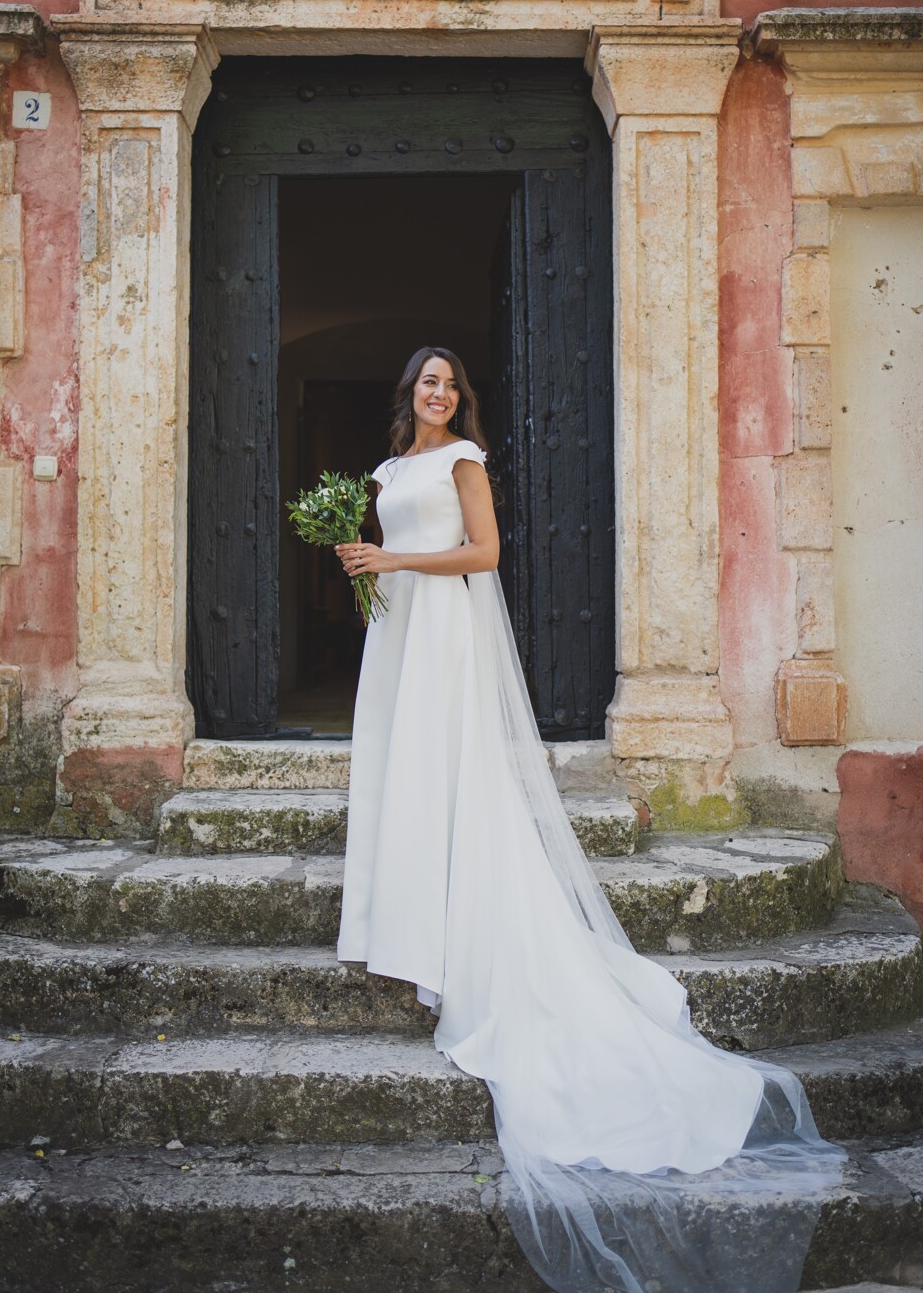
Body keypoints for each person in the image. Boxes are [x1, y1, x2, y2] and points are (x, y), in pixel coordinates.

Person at [334, 347, 846, 1293]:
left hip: (446, 633)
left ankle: (464, 948)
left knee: (454, 784)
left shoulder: (464, 463)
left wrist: (394, 556)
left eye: (449, 383)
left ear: (460, 398)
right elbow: (401, 553)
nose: (437, 394)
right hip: (401, 629)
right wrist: (369, 569)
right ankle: (416, 930)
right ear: (407, 393)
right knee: (407, 784)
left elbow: (484, 556)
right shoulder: (390, 471)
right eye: (425, 382)